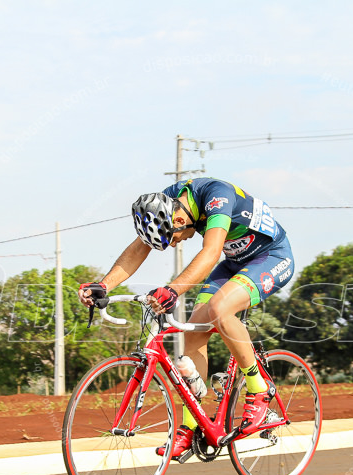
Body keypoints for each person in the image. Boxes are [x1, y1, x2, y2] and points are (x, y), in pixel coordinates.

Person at [78, 178, 295, 459]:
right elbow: (139, 248)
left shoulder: (216, 196)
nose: (174, 244)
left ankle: (259, 390)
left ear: (180, 218)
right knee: (192, 332)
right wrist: (104, 285)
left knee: (220, 309)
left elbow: (211, 251)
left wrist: (173, 290)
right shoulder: (167, 203)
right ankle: (191, 426)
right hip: (234, 264)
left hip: (271, 256)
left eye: (173, 237)